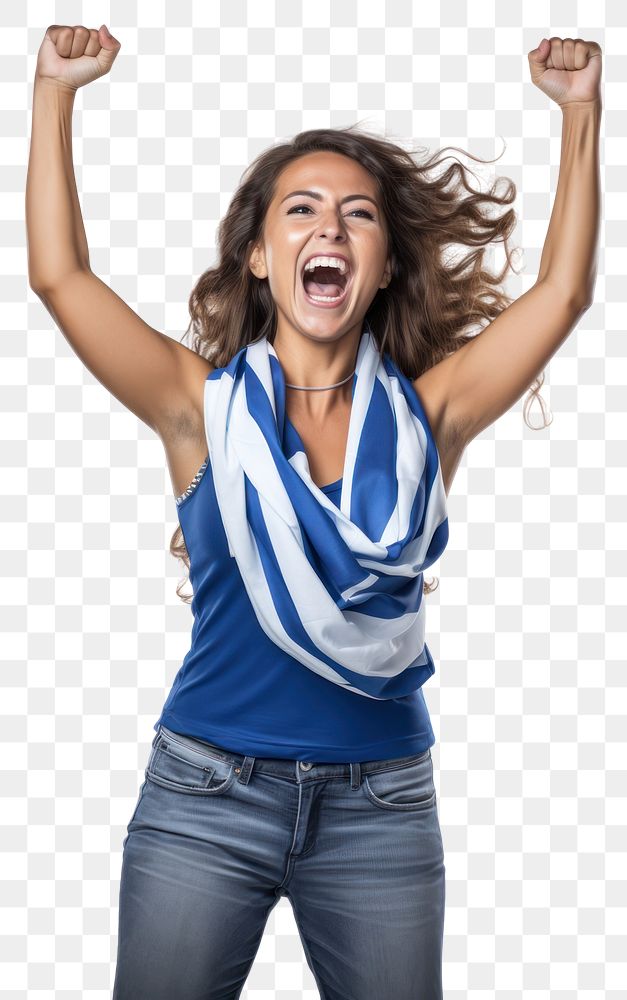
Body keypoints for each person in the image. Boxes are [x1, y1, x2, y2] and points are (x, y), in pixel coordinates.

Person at [26, 23, 602, 1000]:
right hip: (205, 795)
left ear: (379, 267)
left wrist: (582, 112)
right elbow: (60, 278)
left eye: (358, 216)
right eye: (300, 210)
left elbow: (562, 293)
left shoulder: (432, 415)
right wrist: (53, 92)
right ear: (260, 255)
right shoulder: (195, 407)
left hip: (382, 803)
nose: (329, 229)